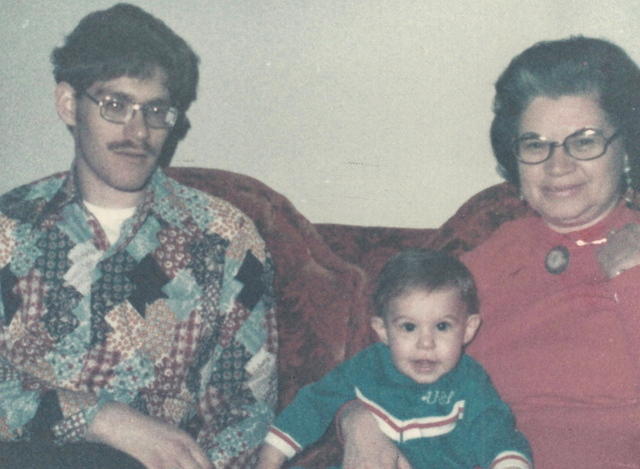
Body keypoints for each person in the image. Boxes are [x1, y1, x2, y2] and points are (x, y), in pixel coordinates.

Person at [339, 36, 640, 468]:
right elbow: (381, 370)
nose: (558, 166)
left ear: (626, 147)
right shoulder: (490, 257)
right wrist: (359, 421)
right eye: (536, 145)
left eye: (584, 141)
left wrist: (631, 278)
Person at [0, 4, 277, 469]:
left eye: (155, 110)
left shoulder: (225, 240)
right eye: (115, 105)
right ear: (69, 105)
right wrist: (99, 418)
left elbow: (244, 417)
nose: (138, 130)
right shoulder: (10, 227)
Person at [256, 249, 532, 469]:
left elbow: (494, 428)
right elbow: (313, 405)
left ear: (468, 329)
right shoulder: (366, 367)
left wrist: (508, 461)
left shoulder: (469, 380)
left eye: (442, 326)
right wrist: (269, 460)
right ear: (383, 331)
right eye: (409, 327)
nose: (426, 343)